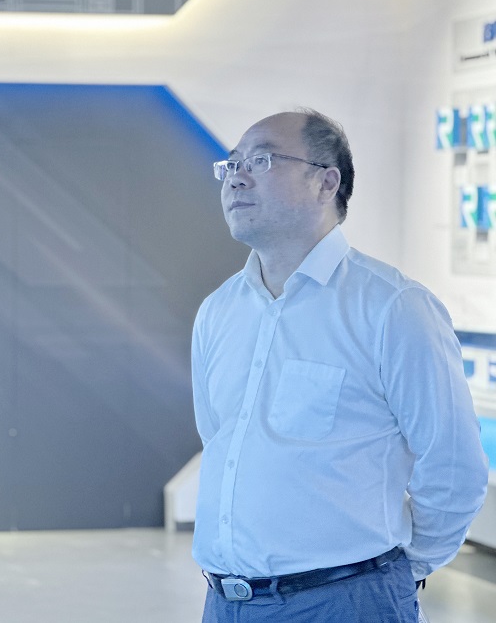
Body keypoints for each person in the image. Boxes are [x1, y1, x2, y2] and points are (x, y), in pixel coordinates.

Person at [192, 108, 488, 622]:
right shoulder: (219, 311)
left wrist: (396, 573)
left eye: (261, 160)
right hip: (225, 604)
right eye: (232, 164)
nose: (236, 177)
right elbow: (218, 437)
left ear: (326, 182)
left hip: (346, 602)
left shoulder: (393, 308)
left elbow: (454, 467)